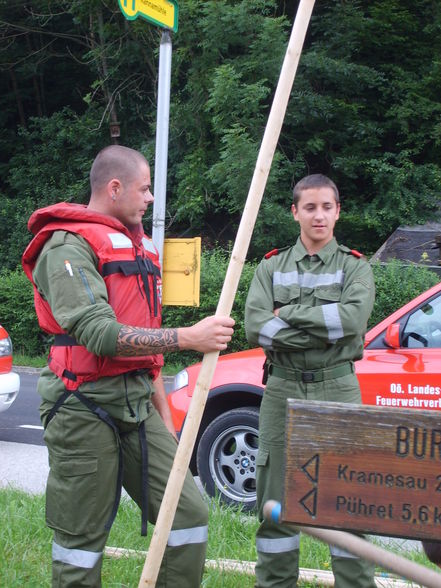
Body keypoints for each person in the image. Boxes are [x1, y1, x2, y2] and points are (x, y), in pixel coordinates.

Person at [21, 145, 235, 588]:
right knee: (80, 543)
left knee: (188, 513)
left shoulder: (140, 249)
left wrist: (165, 419)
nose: (151, 198)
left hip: (137, 405)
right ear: (114, 188)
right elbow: (100, 334)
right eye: (146, 188)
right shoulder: (67, 246)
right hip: (81, 406)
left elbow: (146, 350)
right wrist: (188, 338)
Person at [244, 174, 376, 587]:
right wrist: (323, 324)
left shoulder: (355, 266)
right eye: (310, 207)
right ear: (295, 212)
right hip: (280, 389)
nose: (319, 216)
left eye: (327, 207)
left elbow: (352, 321)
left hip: (338, 389)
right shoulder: (270, 266)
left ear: (338, 211)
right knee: (275, 505)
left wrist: (288, 314)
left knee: (347, 504)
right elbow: (255, 328)